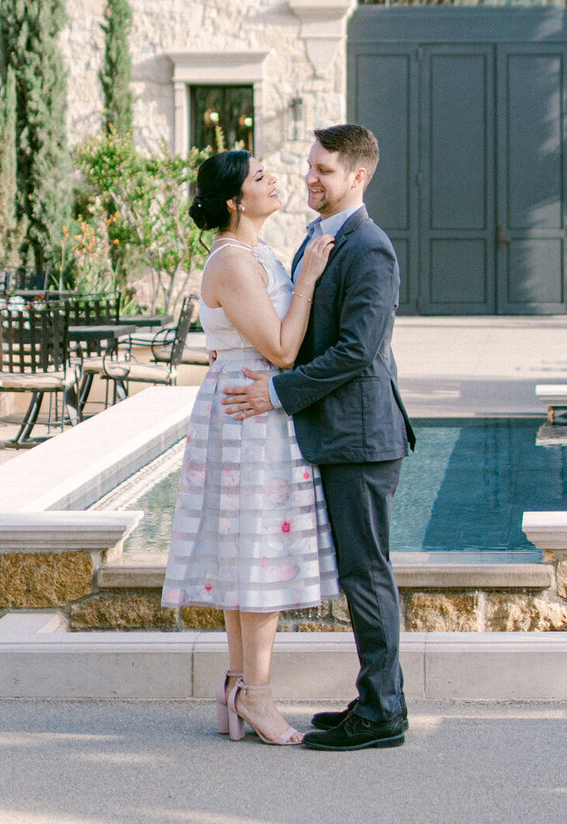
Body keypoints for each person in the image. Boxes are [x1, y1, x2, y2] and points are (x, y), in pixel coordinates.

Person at [224, 123, 415, 752]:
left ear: (357, 177)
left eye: (324, 170)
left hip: (362, 438)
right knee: (359, 573)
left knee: (367, 575)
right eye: (310, 166)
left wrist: (278, 392)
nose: (310, 177)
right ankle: (371, 697)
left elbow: (360, 350)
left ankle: (384, 712)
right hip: (333, 436)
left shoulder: (371, 248)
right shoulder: (317, 234)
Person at [162, 149, 338, 746]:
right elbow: (284, 349)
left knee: (248, 554)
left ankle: (239, 686)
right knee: (259, 555)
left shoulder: (255, 253)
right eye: (259, 177)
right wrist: (310, 276)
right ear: (236, 201)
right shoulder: (234, 261)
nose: (274, 180)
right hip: (251, 412)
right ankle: (257, 698)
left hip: (253, 403)